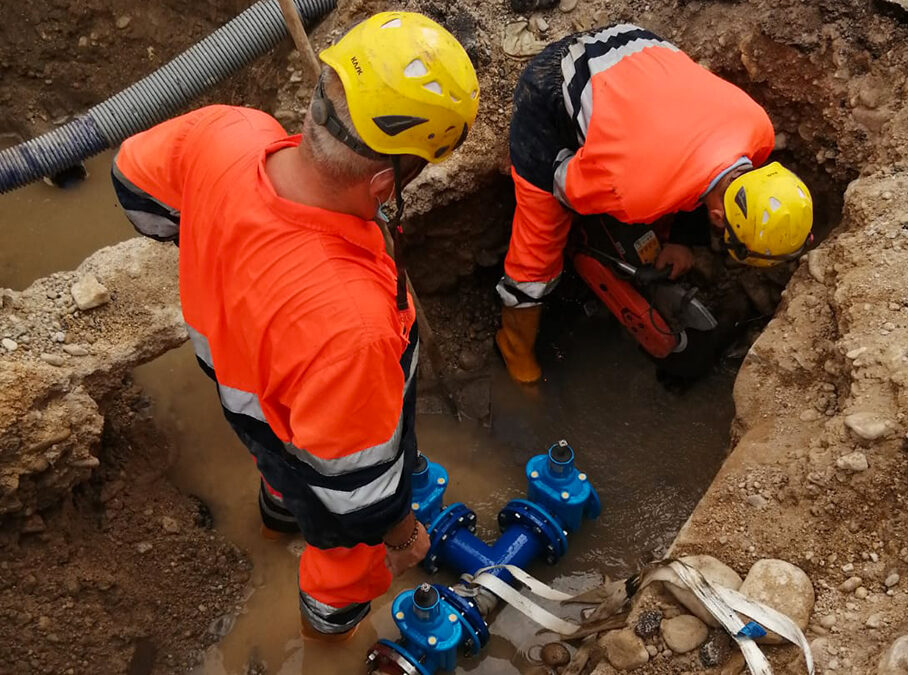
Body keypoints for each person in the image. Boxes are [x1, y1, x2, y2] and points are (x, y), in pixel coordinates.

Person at [110, 12, 479, 641]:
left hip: (244, 393)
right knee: (345, 558)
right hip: (320, 418)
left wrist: (213, 242)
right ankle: (325, 637)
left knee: (279, 465)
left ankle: (275, 519)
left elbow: (132, 178)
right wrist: (402, 532)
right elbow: (355, 497)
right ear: (388, 182)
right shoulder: (354, 330)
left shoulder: (232, 134)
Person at [495, 23, 813, 384]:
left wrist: (681, 239)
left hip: (637, 43)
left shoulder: (760, 130)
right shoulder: (632, 192)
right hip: (553, 82)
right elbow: (561, 184)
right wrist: (602, 189)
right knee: (540, 241)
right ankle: (515, 349)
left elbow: (707, 166)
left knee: (643, 195)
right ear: (718, 218)